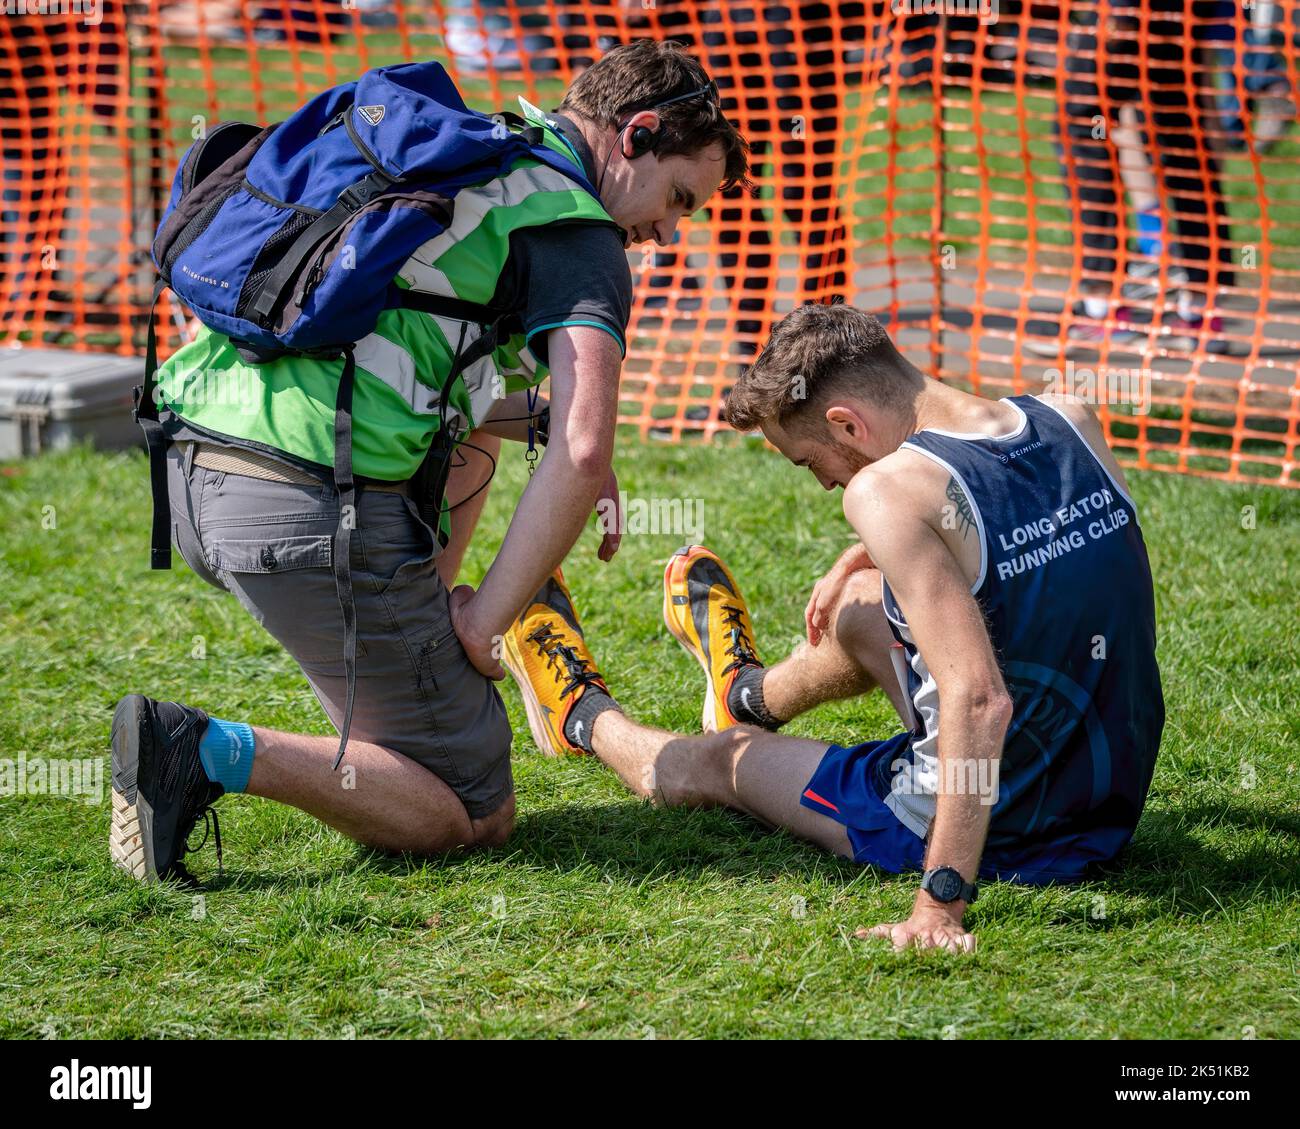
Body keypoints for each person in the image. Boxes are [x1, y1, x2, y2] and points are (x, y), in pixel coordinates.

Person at [109, 40, 750, 885]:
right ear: (634, 134)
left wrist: (551, 429)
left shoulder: (479, 150)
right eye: (676, 199)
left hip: (191, 466)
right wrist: (486, 622)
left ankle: (408, 657)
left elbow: (457, 388)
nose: (665, 234)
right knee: (472, 805)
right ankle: (196, 748)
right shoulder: (578, 227)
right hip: (299, 502)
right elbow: (586, 450)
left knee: (422, 702)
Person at [502, 301, 1165, 953]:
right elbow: (1048, 561)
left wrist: (939, 901)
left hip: (1008, 825)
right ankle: (744, 697)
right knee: (862, 597)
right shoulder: (1067, 418)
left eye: (807, 460)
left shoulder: (886, 491)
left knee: (712, 765)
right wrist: (874, 551)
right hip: (1108, 797)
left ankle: (584, 717)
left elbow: (981, 699)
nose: (822, 484)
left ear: (847, 425)